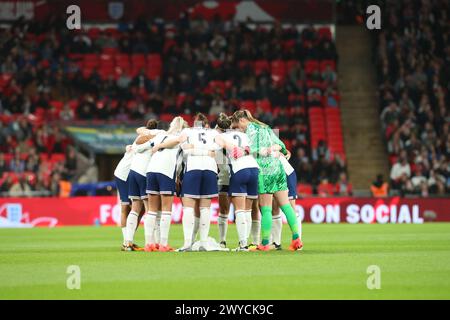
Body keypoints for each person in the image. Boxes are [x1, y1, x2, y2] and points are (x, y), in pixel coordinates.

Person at [231, 110, 303, 251]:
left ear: (241, 121)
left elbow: (255, 148)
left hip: (264, 170)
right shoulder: (265, 127)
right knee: (286, 206)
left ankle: (264, 243)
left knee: (266, 208)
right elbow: (281, 145)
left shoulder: (250, 130)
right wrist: (277, 149)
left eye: (238, 126)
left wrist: (245, 150)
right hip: (278, 167)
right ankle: (296, 239)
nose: (239, 130)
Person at [143, 116, 188, 252]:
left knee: (151, 210)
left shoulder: (160, 134)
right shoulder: (182, 136)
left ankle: (149, 243)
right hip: (166, 172)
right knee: (166, 210)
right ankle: (163, 244)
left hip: (151, 171)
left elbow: (143, 136)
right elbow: (180, 152)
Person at [217, 113, 259, 251]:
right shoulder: (244, 134)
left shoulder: (221, 136)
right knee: (248, 209)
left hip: (239, 170)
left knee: (239, 210)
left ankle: (243, 244)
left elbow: (218, 150)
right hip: (254, 169)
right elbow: (249, 149)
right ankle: (249, 243)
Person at [123, 119, 159, 251]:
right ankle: (150, 243)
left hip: (133, 172)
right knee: (150, 209)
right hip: (144, 173)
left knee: (135, 208)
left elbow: (136, 145)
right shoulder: (158, 136)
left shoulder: (139, 137)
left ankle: (128, 242)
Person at [271, 153, 302, 250]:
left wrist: (286, 152)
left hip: (286, 173)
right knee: (274, 208)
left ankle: (298, 242)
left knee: (291, 207)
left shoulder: (269, 141)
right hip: (273, 174)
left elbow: (286, 151)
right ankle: (276, 243)